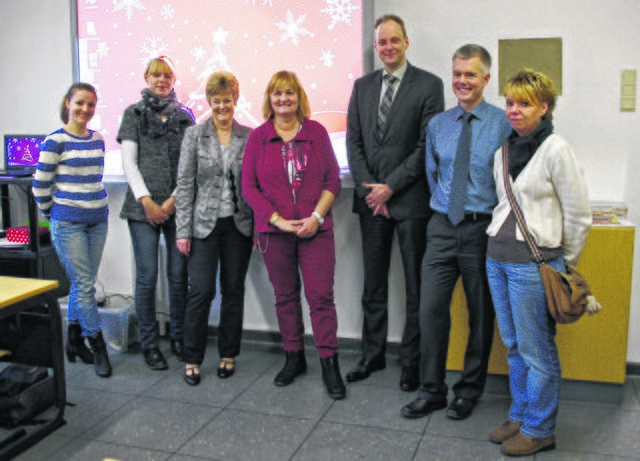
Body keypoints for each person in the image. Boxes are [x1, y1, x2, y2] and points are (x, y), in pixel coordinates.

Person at [401, 44, 512, 420]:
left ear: (486, 78)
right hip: (442, 228)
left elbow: (508, 183)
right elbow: (434, 175)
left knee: (481, 314)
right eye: (457, 74)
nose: (462, 81)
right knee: (430, 310)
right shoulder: (439, 125)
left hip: (482, 230)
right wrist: (449, 210)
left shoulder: (502, 123)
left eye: (470, 74)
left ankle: (468, 390)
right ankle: (431, 390)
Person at [485, 69, 591, 457]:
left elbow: (578, 215)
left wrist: (562, 266)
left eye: (524, 103)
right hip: (496, 258)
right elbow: (503, 206)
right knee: (513, 346)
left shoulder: (556, 149)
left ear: (544, 107)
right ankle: (520, 413)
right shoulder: (504, 150)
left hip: (533, 264)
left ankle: (540, 428)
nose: (514, 110)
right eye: (510, 103)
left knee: (536, 351)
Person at [345, 14, 444, 392]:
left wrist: (391, 187)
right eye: (381, 42)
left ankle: (412, 362)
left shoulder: (429, 85)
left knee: (417, 288)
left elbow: (426, 146)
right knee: (373, 284)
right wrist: (372, 190)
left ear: (407, 41)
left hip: (411, 203)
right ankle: (371, 355)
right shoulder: (362, 86)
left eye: (394, 41)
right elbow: (353, 142)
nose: (387, 47)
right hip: (371, 204)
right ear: (376, 46)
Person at [242, 70, 345, 400]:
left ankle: (330, 363)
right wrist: (277, 220)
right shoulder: (258, 137)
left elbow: (332, 182)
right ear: (269, 99)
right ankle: (294, 358)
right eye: (277, 93)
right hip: (275, 233)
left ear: (299, 97)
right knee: (285, 297)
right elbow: (249, 187)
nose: (283, 99)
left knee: (321, 298)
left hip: (316, 230)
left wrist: (315, 216)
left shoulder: (316, 133)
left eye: (289, 93)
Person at [175, 71, 253, 386]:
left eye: (228, 100)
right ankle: (192, 357)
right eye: (217, 101)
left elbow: (255, 184)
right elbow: (184, 184)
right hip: (202, 226)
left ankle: (228, 353)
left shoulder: (250, 136)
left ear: (236, 99)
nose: (223, 106)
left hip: (239, 226)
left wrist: (260, 226)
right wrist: (182, 231)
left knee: (233, 291)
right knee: (201, 292)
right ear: (209, 102)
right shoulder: (194, 135)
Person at [116, 56, 195, 370]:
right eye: (156, 74)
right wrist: (147, 201)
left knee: (179, 277)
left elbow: (190, 166)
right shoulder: (132, 114)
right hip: (141, 208)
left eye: (168, 75)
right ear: (146, 76)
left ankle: (178, 337)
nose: (162, 79)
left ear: (174, 80)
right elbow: (129, 163)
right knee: (147, 278)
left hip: (177, 206)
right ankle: (150, 344)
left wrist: (173, 200)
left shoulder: (185, 116)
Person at [32, 82, 111, 378]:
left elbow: (94, 178)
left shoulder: (98, 139)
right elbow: (40, 185)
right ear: (67, 103)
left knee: (83, 283)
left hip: (98, 219)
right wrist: (52, 214)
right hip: (67, 223)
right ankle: (97, 344)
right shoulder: (55, 141)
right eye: (79, 103)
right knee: (85, 284)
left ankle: (74, 341)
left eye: (90, 105)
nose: (85, 110)